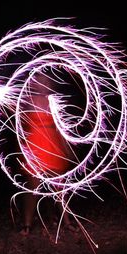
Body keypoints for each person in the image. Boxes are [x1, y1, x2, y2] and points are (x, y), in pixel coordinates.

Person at [19, 74, 76, 236]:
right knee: (33, 188)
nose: (43, 83)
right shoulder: (26, 101)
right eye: (39, 80)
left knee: (59, 188)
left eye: (46, 80)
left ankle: (67, 222)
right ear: (33, 83)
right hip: (35, 146)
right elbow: (19, 127)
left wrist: (67, 148)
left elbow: (59, 128)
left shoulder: (53, 101)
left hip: (52, 147)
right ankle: (27, 225)